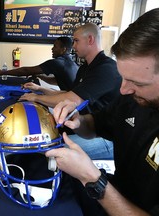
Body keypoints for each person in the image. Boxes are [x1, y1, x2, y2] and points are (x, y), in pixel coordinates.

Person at [47, 8, 159, 215]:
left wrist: (93, 180)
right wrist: (78, 120)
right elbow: (95, 125)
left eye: (137, 82)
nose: (124, 89)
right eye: (123, 77)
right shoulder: (130, 99)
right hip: (116, 192)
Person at [20, 23, 121, 160]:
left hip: (105, 136)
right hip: (85, 125)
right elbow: (69, 93)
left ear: (90, 40)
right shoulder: (85, 68)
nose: (73, 46)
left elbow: (71, 99)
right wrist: (40, 89)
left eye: (76, 41)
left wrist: (36, 98)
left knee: (49, 152)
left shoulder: (106, 68)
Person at [0, 36, 78, 91]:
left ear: (63, 49)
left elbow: (26, 70)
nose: (52, 49)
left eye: (55, 46)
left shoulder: (58, 63)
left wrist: (2, 72)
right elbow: (57, 81)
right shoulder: (70, 62)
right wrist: (40, 76)